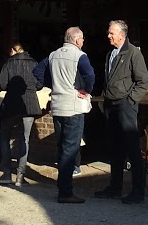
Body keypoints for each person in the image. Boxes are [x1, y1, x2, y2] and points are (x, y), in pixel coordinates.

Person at [33, 27, 95, 204]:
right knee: (71, 149)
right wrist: (86, 90)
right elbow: (90, 75)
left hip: (57, 106)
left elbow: (37, 72)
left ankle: (63, 187)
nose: (83, 42)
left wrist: (53, 84)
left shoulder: (52, 55)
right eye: (82, 39)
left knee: (61, 147)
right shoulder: (79, 56)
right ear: (76, 41)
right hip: (73, 106)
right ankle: (66, 192)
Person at [93, 20, 148, 205]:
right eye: (109, 33)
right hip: (111, 104)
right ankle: (115, 187)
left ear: (121, 34)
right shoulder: (111, 53)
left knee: (132, 149)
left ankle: (137, 191)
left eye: (111, 33)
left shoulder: (133, 52)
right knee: (115, 148)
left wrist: (130, 100)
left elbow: (144, 81)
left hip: (125, 105)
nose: (108, 36)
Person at [0, 43, 42, 187]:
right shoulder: (34, 63)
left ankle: (7, 173)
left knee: (4, 136)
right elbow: (39, 84)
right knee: (25, 139)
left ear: (12, 50)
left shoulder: (8, 63)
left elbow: (2, 85)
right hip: (29, 103)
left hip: (11, 104)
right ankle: (20, 176)